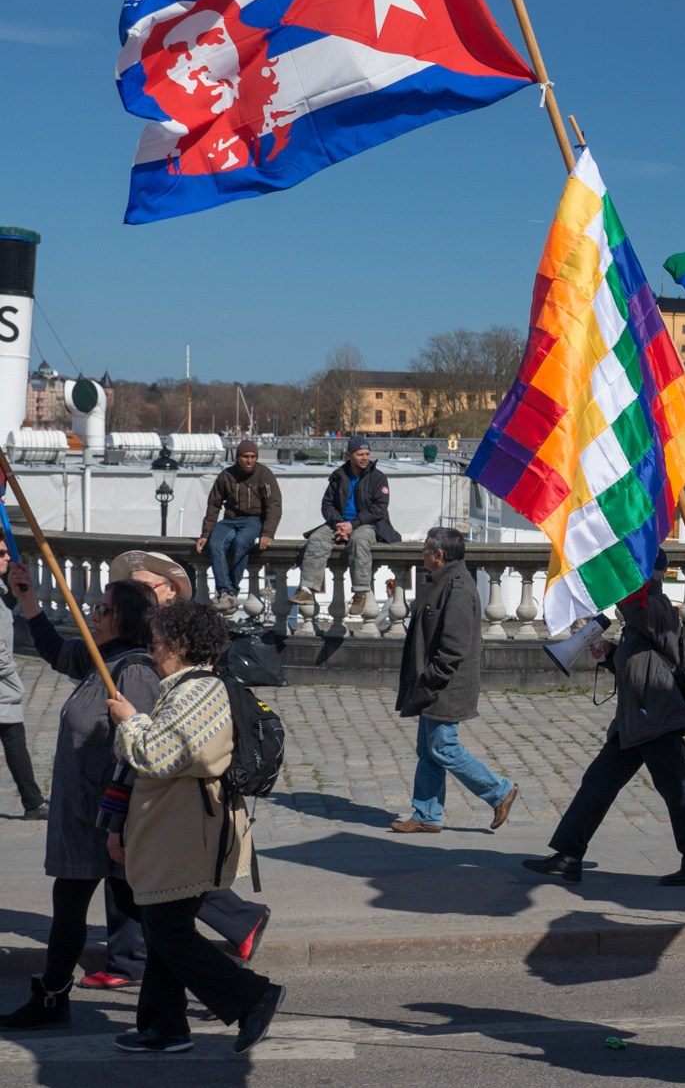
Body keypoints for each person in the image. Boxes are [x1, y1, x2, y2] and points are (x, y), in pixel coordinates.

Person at [104, 601, 284, 1055]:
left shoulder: (198, 692)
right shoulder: (185, 687)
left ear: (182, 645)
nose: (152, 648)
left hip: (190, 833)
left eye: (159, 641)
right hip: (181, 829)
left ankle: (253, 996)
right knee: (163, 924)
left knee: (166, 929)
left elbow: (162, 755)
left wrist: (130, 723)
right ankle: (164, 1026)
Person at [0, 576, 161, 1030]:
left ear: (127, 617)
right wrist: (28, 598)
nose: (93, 613)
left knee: (151, 918)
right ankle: (54, 997)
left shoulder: (135, 671)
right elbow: (53, 650)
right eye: (96, 606)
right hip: (82, 815)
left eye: (104, 609)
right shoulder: (98, 658)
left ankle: (234, 992)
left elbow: (139, 751)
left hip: (107, 818)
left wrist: (118, 822)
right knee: (91, 907)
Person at [524, 577, 685, 886]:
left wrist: (617, 578)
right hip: (635, 720)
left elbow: (643, 619)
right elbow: (642, 662)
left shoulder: (657, 608)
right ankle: (569, 856)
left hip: (657, 719)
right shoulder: (641, 616)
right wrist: (611, 654)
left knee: (679, 792)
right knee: (597, 783)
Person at [390, 527, 517, 834]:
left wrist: (431, 679)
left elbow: (454, 647)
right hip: (434, 683)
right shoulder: (441, 581)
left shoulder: (457, 587)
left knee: (444, 748)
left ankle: (500, 791)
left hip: (445, 685)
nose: (421, 554)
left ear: (439, 555)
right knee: (428, 748)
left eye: (425, 550)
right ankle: (427, 814)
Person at [292, 438, 394, 617]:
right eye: (360, 454)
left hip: (367, 524)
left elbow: (379, 508)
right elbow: (327, 504)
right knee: (316, 539)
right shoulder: (339, 475)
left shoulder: (378, 477)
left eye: (367, 454)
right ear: (350, 455)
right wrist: (339, 523)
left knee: (359, 541)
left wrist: (352, 525)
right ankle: (307, 588)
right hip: (338, 523)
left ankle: (361, 593)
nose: (364, 458)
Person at [194, 440, 281, 612]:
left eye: (253, 457)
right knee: (215, 544)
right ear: (237, 457)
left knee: (241, 542)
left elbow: (274, 505)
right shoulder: (226, 476)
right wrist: (205, 534)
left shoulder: (265, 475)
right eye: (245, 457)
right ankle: (225, 591)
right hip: (229, 520)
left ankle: (229, 590)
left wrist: (268, 533)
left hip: (253, 520)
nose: (249, 460)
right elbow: (214, 505)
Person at [0, 545, 48, 820]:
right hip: (3, 684)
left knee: (14, 738)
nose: (7, 557)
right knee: (14, 738)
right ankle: (33, 802)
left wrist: (19, 590)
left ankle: (33, 801)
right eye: (1, 553)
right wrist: (9, 673)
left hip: (4, 686)